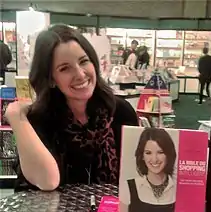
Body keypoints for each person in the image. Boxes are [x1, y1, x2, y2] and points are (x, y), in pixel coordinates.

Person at [5, 24, 139, 191]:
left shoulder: (120, 112)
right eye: (64, 68)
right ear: (51, 79)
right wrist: (16, 116)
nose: (80, 74)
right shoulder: (40, 120)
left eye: (83, 61)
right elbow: (47, 181)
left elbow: (137, 175)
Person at [118, 128, 176, 212]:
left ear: (168, 154)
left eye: (160, 152)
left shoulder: (180, 189)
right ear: (142, 156)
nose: (154, 159)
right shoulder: (128, 187)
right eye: (148, 153)